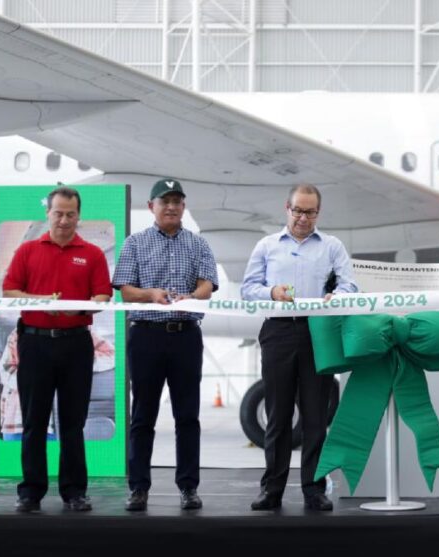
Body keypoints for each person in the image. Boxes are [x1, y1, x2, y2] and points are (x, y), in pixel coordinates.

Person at [241, 184, 357, 511]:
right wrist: (271, 293)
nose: (303, 218)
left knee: (315, 416)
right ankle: (272, 489)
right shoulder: (267, 246)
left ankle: (314, 489)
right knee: (278, 416)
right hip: (278, 331)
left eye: (310, 212)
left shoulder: (332, 246)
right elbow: (248, 289)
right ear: (287, 208)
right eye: (298, 211)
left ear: (318, 213)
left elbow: (350, 284)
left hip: (317, 333)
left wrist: (339, 296)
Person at [2, 186, 112, 513]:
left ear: (79, 215)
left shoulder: (92, 254)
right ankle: (30, 492)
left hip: (76, 343)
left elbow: (103, 296)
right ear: (47, 213)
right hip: (35, 342)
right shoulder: (27, 251)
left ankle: (74, 491)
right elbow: (9, 291)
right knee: (34, 421)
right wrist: (41, 302)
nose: (64, 220)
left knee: (73, 423)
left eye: (70, 214)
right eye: (58, 213)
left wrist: (82, 306)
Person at [113, 178, 218, 512]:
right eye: (164, 201)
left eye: (176, 201)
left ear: (184, 206)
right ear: (151, 207)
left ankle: (188, 487)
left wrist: (192, 297)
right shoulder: (135, 243)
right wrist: (151, 294)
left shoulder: (198, 244)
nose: (171, 207)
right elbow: (126, 290)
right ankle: (138, 488)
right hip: (146, 335)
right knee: (143, 415)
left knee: (187, 416)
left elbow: (207, 285)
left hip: (185, 335)